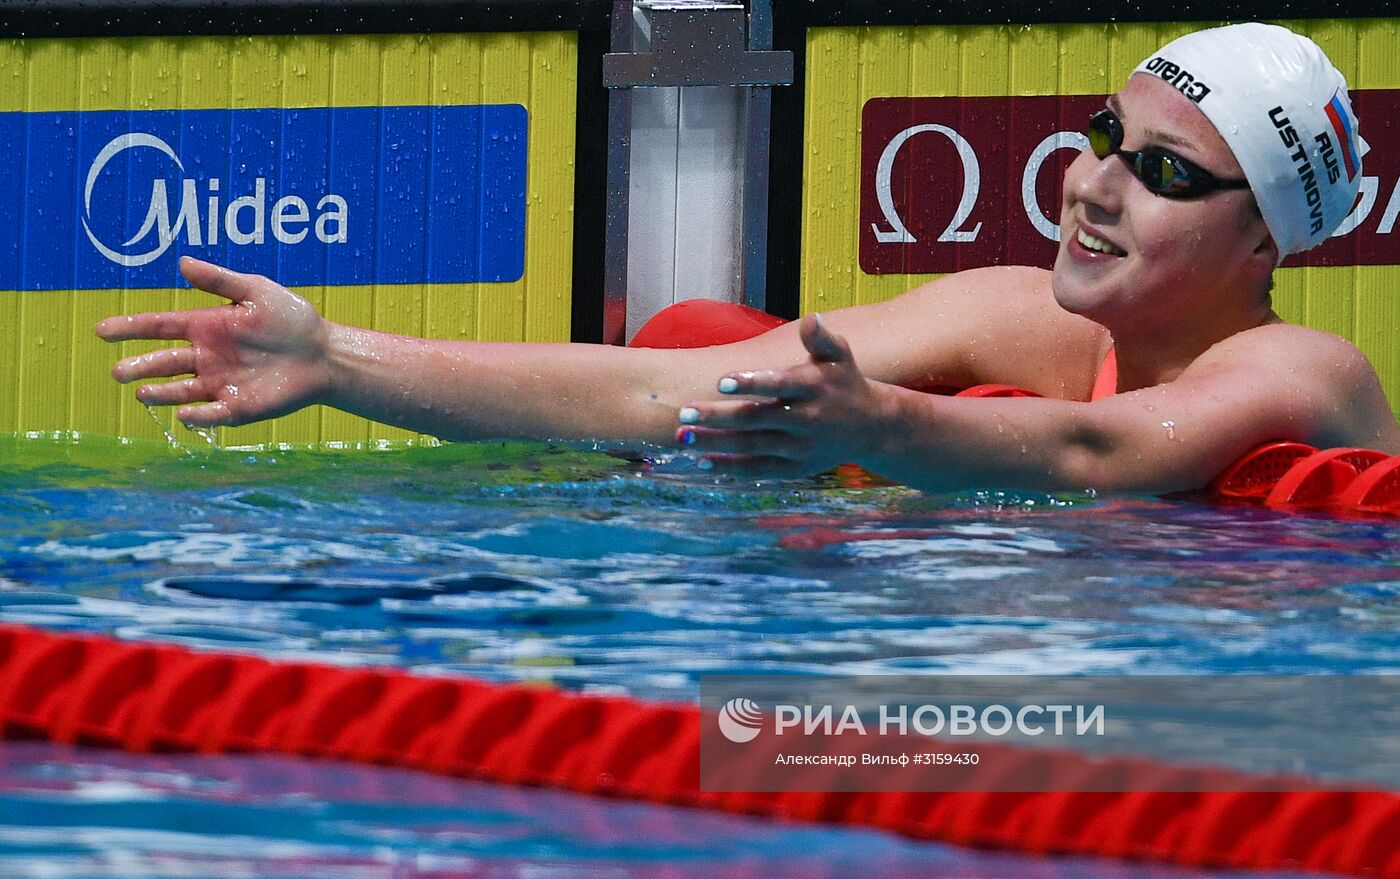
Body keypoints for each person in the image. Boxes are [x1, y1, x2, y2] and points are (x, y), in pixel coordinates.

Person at [96, 23, 1400, 494]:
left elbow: (1092, 453)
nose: (1094, 184)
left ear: (1266, 235)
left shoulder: (1303, 367)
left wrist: (881, 428)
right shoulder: (1021, 320)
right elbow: (658, 394)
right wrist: (335, 360)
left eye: (1164, 171)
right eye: (1106, 134)